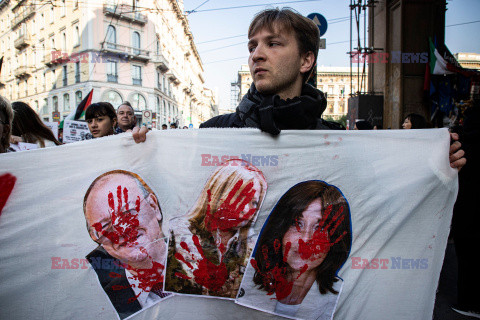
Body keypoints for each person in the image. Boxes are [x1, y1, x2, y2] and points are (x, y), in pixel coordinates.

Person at [131, 8, 465, 170]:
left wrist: (433, 163)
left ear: (306, 60)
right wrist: (144, 151)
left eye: (273, 44)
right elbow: (168, 190)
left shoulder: (337, 142)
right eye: (252, 46)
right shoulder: (214, 132)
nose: (257, 55)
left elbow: (378, 203)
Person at [237, 180, 351, 320]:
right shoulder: (239, 274)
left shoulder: (348, 298)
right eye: (296, 223)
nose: (305, 239)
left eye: (320, 228)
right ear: (280, 229)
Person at [165, 159, 267, 298]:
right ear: (219, 193)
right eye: (240, 197)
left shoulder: (253, 247)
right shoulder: (177, 232)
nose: (245, 209)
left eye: (253, 202)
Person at [83, 170, 169, 319]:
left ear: (154, 207)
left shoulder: (212, 260)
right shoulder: (96, 305)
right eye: (105, 227)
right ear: (96, 238)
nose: (121, 230)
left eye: (127, 212)